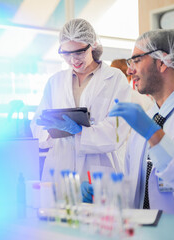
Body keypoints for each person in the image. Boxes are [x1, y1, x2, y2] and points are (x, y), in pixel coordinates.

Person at [84, 29, 174, 216]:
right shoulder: (145, 119)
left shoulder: (147, 124)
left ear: (163, 62)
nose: (129, 70)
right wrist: (106, 194)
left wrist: (154, 135)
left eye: (137, 60)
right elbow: (137, 191)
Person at [30, 18, 131, 187]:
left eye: (79, 52)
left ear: (92, 45)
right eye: (66, 54)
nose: (73, 60)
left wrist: (79, 132)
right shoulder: (55, 81)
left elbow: (117, 131)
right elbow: (36, 126)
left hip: (98, 172)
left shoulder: (115, 78)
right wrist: (49, 129)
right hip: (60, 171)